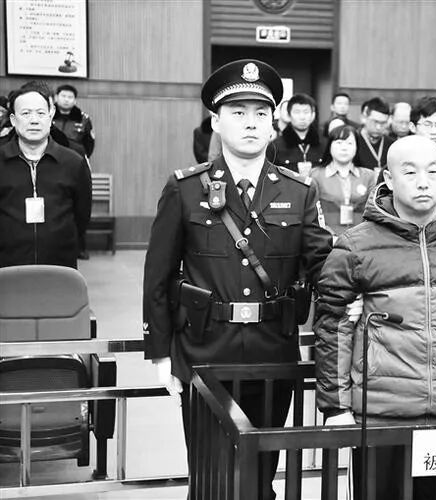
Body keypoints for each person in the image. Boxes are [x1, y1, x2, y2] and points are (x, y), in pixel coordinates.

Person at [142, 59, 332, 500]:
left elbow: (324, 264)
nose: (251, 123)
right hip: (205, 350)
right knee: (211, 473)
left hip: (273, 351)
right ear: (216, 121)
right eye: (238, 112)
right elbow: (159, 274)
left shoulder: (299, 191)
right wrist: (160, 354)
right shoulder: (185, 188)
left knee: (262, 473)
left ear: (274, 124)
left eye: (261, 113)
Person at [315, 135, 436, 499]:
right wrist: (336, 407)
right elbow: (333, 327)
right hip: (381, 413)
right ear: (388, 177)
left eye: (433, 171)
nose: (423, 182)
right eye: (410, 172)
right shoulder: (355, 245)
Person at [0, 81, 91, 269]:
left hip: (60, 265)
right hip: (8, 267)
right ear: (13, 120)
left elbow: (82, 216)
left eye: (41, 113)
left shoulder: (74, 162)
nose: (34, 120)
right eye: (26, 113)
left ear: (50, 117)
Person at [310, 124, 377, 236]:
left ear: (357, 147)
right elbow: (311, 213)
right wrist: (328, 235)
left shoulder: (369, 176)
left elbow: (373, 212)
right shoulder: (316, 175)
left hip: (361, 237)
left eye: (350, 143)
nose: (344, 148)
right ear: (329, 146)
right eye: (339, 142)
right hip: (326, 237)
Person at [267, 93, 324, 175]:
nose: (302, 117)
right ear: (289, 115)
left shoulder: (324, 143)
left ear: (313, 115)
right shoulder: (275, 146)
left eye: (306, 112)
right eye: (297, 112)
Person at [52, 84, 95, 159]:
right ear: (56, 98)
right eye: (63, 96)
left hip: (74, 159)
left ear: (75, 101)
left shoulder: (83, 119)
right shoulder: (48, 116)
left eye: (70, 97)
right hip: (50, 158)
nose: (66, 100)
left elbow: (89, 144)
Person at [354, 96, 394, 170]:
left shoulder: (392, 145)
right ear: (365, 118)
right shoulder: (354, 141)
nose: (378, 127)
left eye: (383, 123)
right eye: (375, 122)